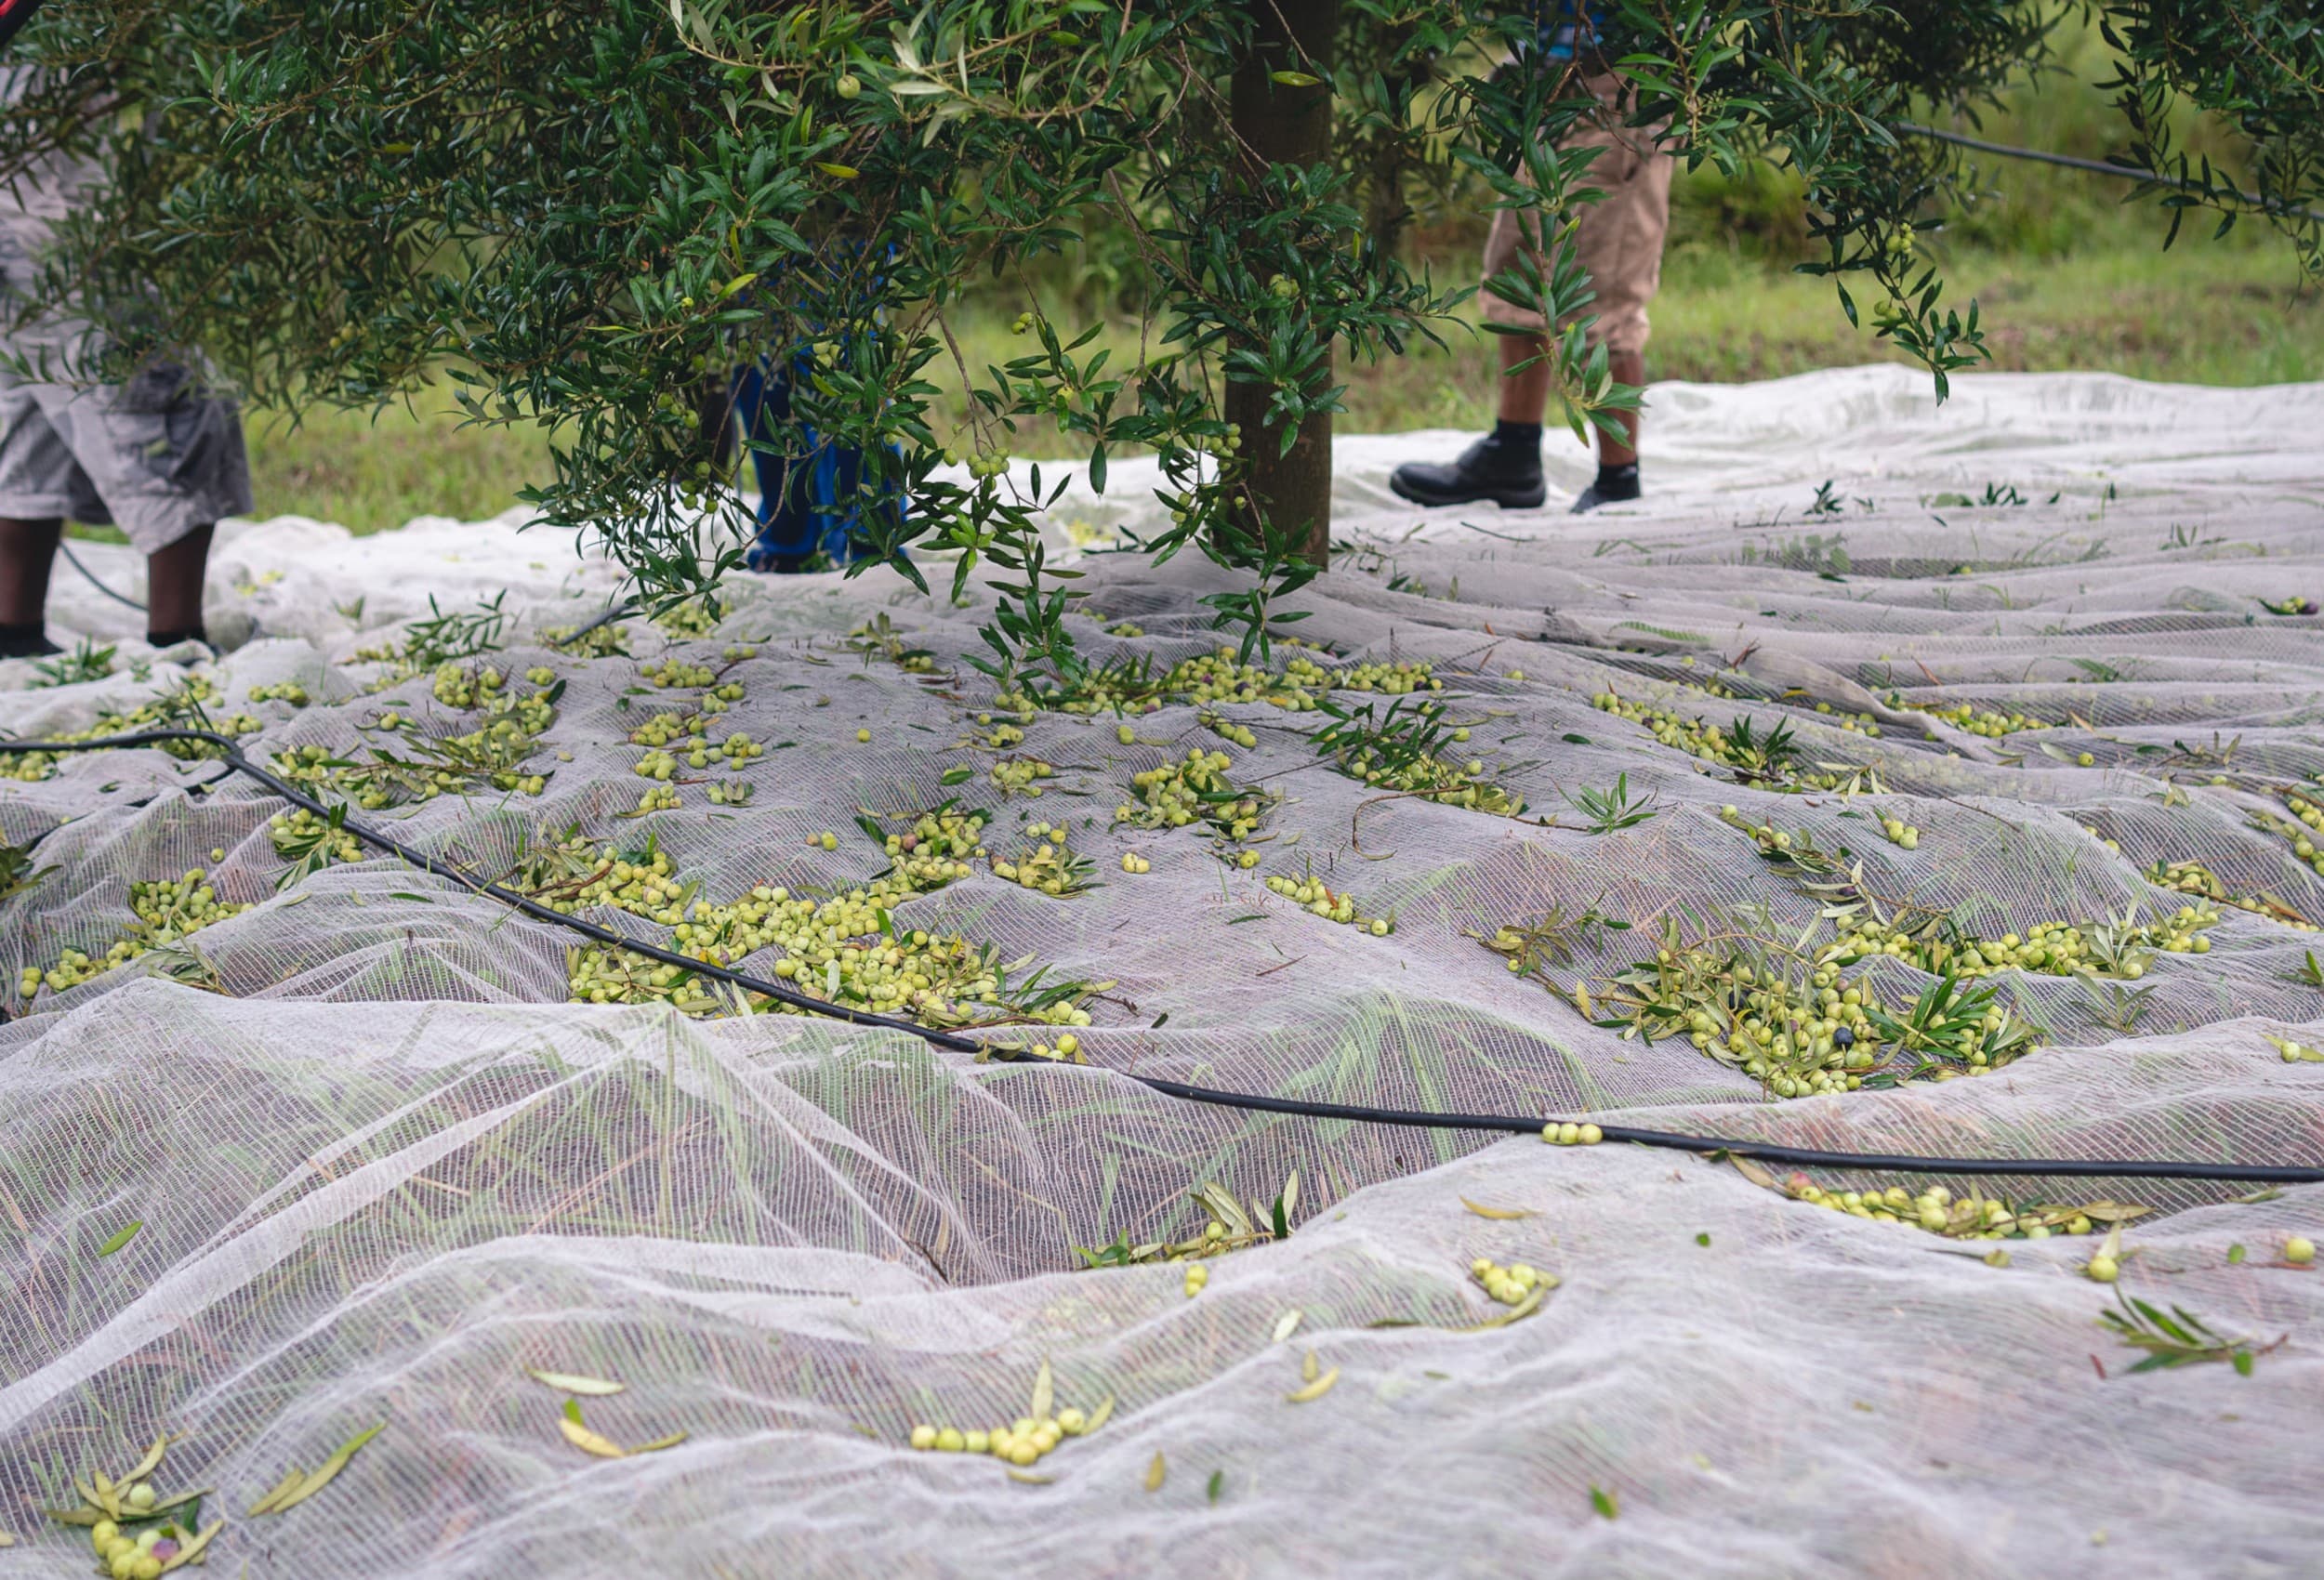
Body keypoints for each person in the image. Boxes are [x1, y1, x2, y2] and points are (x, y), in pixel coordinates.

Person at [1390, 6, 1674, 515]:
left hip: (1618, 84)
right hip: (1543, 83)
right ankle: (1514, 454)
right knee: (1517, 278)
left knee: (1601, 297)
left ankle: (1617, 483)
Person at [0, 82, 250, 658]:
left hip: (44, 186)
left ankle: (15, 639)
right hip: (47, 204)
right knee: (175, 404)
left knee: (36, 404)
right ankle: (179, 650)